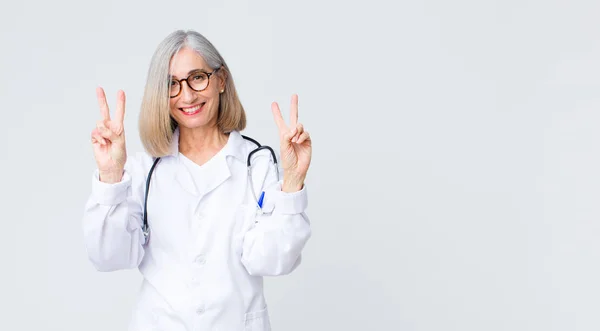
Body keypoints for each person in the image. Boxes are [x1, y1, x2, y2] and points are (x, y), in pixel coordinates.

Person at [82, 30, 312, 331]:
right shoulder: (144, 169)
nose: (187, 95)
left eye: (198, 78)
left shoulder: (256, 164)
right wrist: (111, 177)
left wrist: (293, 180)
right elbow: (107, 256)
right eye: (172, 84)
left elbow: (272, 260)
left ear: (221, 80)